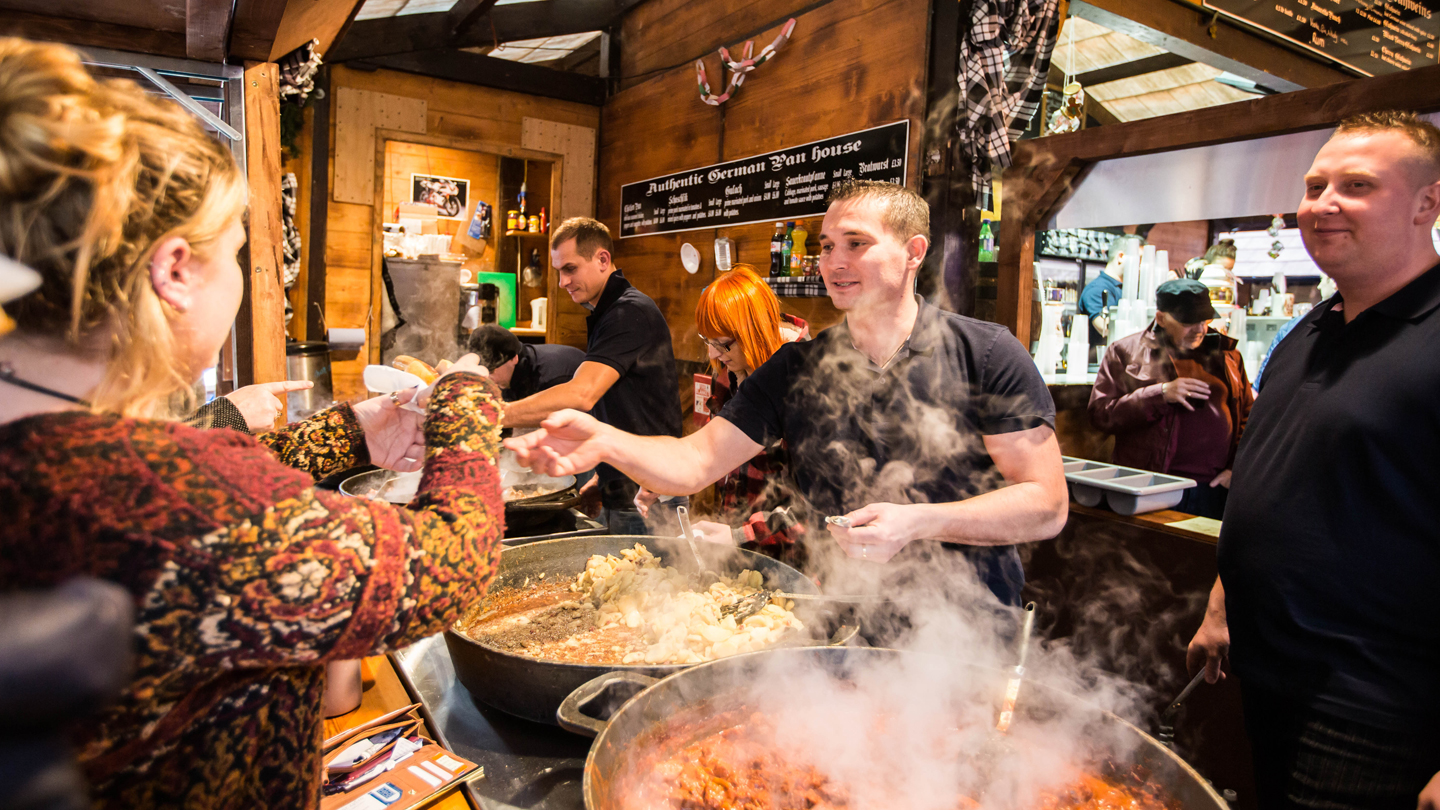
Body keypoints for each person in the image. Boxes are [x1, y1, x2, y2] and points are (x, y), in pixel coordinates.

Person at [0, 39, 505, 809]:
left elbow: (215, 501)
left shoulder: (40, 427)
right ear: (175, 270)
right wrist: (466, 394)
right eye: (236, 252)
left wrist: (348, 434)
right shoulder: (168, 497)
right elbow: (450, 563)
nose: (238, 276)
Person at [508, 180, 1067, 608]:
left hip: (966, 628)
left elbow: (1046, 505)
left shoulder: (985, 354)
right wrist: (604, 440)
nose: (834, 262)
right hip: (840, 619)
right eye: (826, 246)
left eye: (856, 244)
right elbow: (695, 461)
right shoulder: (796, 368)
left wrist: (919, 521)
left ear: (914, 252)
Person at [1188, 110, 1440, 810]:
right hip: (1270, 674)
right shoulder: (1311, 328)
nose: (1323, 204)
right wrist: (1223, 604)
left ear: (1427, 203)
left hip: (1376, 708)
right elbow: (1276, 479)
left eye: (1357, 186)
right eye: (1314, 185)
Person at [501, 217, 683, 536]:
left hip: (648, 496)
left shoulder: (629, 312)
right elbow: (629, 407)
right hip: (623, 487)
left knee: (652, 571)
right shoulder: (607, 313)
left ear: (602, 259)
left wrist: (494, 414)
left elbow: (582, 394)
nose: (562, 282)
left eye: (570, 269)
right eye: (559, 271)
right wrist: (603, 476)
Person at [636, 265, 811, 562]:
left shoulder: (804, 379)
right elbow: (712, 452)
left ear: (755, 331)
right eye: (708, 341)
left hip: (790, 562)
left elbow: (814, 509)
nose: (713, 354)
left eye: (722, 344)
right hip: (734, 552)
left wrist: (739, 535)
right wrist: (668, 477)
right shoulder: (731, 368)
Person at [1087, 278, 1253, 519]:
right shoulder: (1125, 352)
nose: (1199, 329)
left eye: (1204, 320)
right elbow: (1100, 415)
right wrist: (1160, 394)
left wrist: (1235, 468)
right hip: (1154, 486)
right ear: (1161, 318)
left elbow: (1250, 417)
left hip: (1215, 489)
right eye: (1188, 322)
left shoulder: (1227, 354)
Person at [467, 323, 584, 402]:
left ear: (514, 358)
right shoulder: (510, 371)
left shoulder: (548, 380)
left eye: (491, 370)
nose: (486, 376)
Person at [1076, 236, 1136, 355]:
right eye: (1139, 258)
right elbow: (1104, 328)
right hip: (1100, 362)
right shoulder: (1096, 289)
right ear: (1121, 256)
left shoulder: (1128, 289)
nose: (1141, 265)